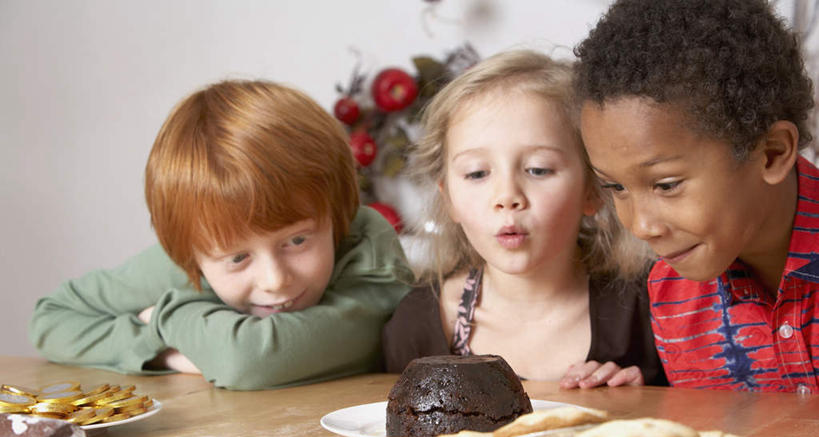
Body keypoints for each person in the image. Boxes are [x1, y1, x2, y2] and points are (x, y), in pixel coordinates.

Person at [30, 80, 413, 390]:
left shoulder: (366, 246)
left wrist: (170, 318)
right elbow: (52, 320)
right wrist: (167, 354)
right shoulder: (194, 253)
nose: (275, 280)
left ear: (336, 212)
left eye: (296, 241)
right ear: (189, 255)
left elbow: (250, 361)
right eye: (237, 259)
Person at [382, 50, 666, 388]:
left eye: (538, 169)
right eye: (476, 173)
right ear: (449, 200)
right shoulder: (414, 326)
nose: (507, 197)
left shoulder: (652, 309)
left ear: (593, 189)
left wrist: (646, 403)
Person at [574, 0, 818, 391]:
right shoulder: (671, 297)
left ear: (772, 153)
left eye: (667, 185)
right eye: (616, 187)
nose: (641, 226)